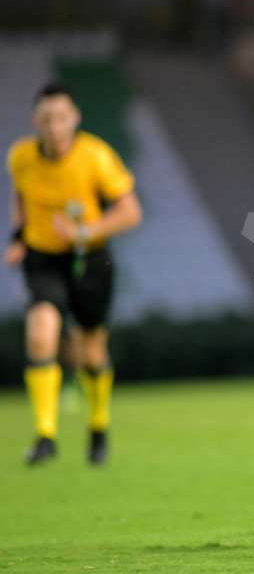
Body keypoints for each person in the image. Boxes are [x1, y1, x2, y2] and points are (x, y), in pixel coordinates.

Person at [6, 83, 143, 465]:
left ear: (75, 119)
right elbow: (21, 197)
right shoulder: (20, 157)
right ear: (36, 121)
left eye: (61, 117)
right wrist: (18, 237)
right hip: (43, 259)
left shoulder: (96, 156)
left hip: (89, 258)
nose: (54, 126)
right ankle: (45, 435)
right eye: (47, 118)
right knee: (40, 335)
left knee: (91, 350)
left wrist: (83, 231)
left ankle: (98, 427)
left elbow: (131, 213)